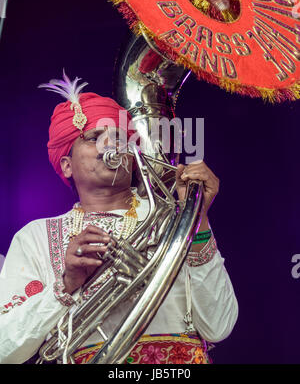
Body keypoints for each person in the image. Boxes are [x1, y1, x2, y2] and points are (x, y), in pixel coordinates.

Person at [0, 73, 238, 364]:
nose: (110, 145)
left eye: (119, 137)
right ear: (66, 165)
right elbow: (4, 350)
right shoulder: (35, 237)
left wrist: (197, 218)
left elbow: (218, 325)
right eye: (93, 137)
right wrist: (67, 284)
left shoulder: (174, 217)